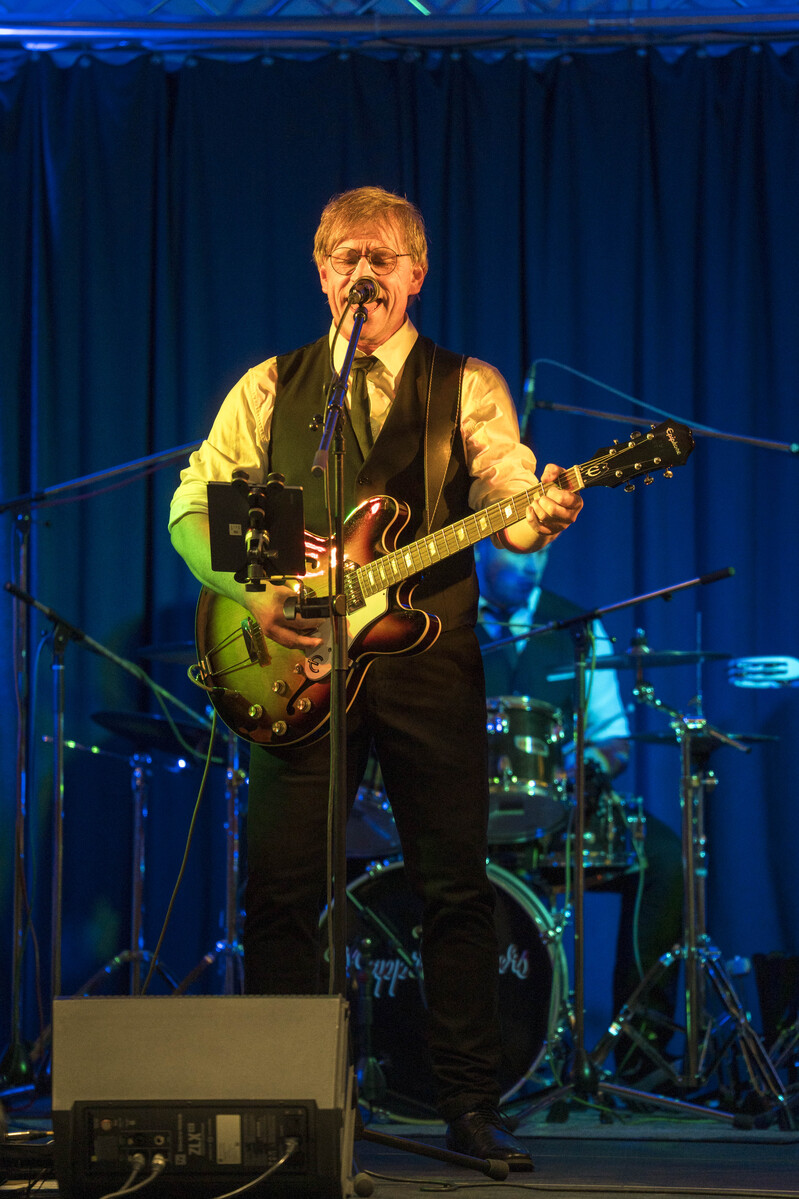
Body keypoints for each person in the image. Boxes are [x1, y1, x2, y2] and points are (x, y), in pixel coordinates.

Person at [169, 185, 583, 1170]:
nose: (364, 272)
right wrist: (255, 590)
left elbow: (509, 496)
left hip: (428, 661)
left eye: (382, 257)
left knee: (454, 888)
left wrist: (540, 511)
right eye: (347, 257)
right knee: (278, 889)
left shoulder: (465, 384)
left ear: (416, 273)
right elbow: (194, 503)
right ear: (322, 273)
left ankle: (469, 1105)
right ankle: (286, 1109)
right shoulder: (272, 388)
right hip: (296, 666)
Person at [474, 537, 684, 1081]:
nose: (533, 564)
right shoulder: (437, 627)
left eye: (541, 553)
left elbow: (613, 740)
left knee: (665, 861)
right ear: (480, 549)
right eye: (519, 551)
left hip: (558, 811)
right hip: (464, 812)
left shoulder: (579, 627)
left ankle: (641, 1056)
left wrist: (579, 771)